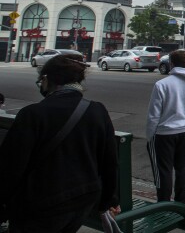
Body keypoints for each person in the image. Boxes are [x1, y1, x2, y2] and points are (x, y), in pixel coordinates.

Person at [0, 56, 119, 232]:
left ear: (46, 79)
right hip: (82, 200)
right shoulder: (97, 110)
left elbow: (11, 167)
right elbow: (109, 161)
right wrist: (108, 201)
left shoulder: (32, 114)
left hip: (39, 205)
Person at [146, 50, 185, 203]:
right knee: (183, 169)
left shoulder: (162, 85)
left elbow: (153, 115)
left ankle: (164, 203)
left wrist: (150, 135)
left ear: (171, 63)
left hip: (164, 133)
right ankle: (180, 203)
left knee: (164, 171)